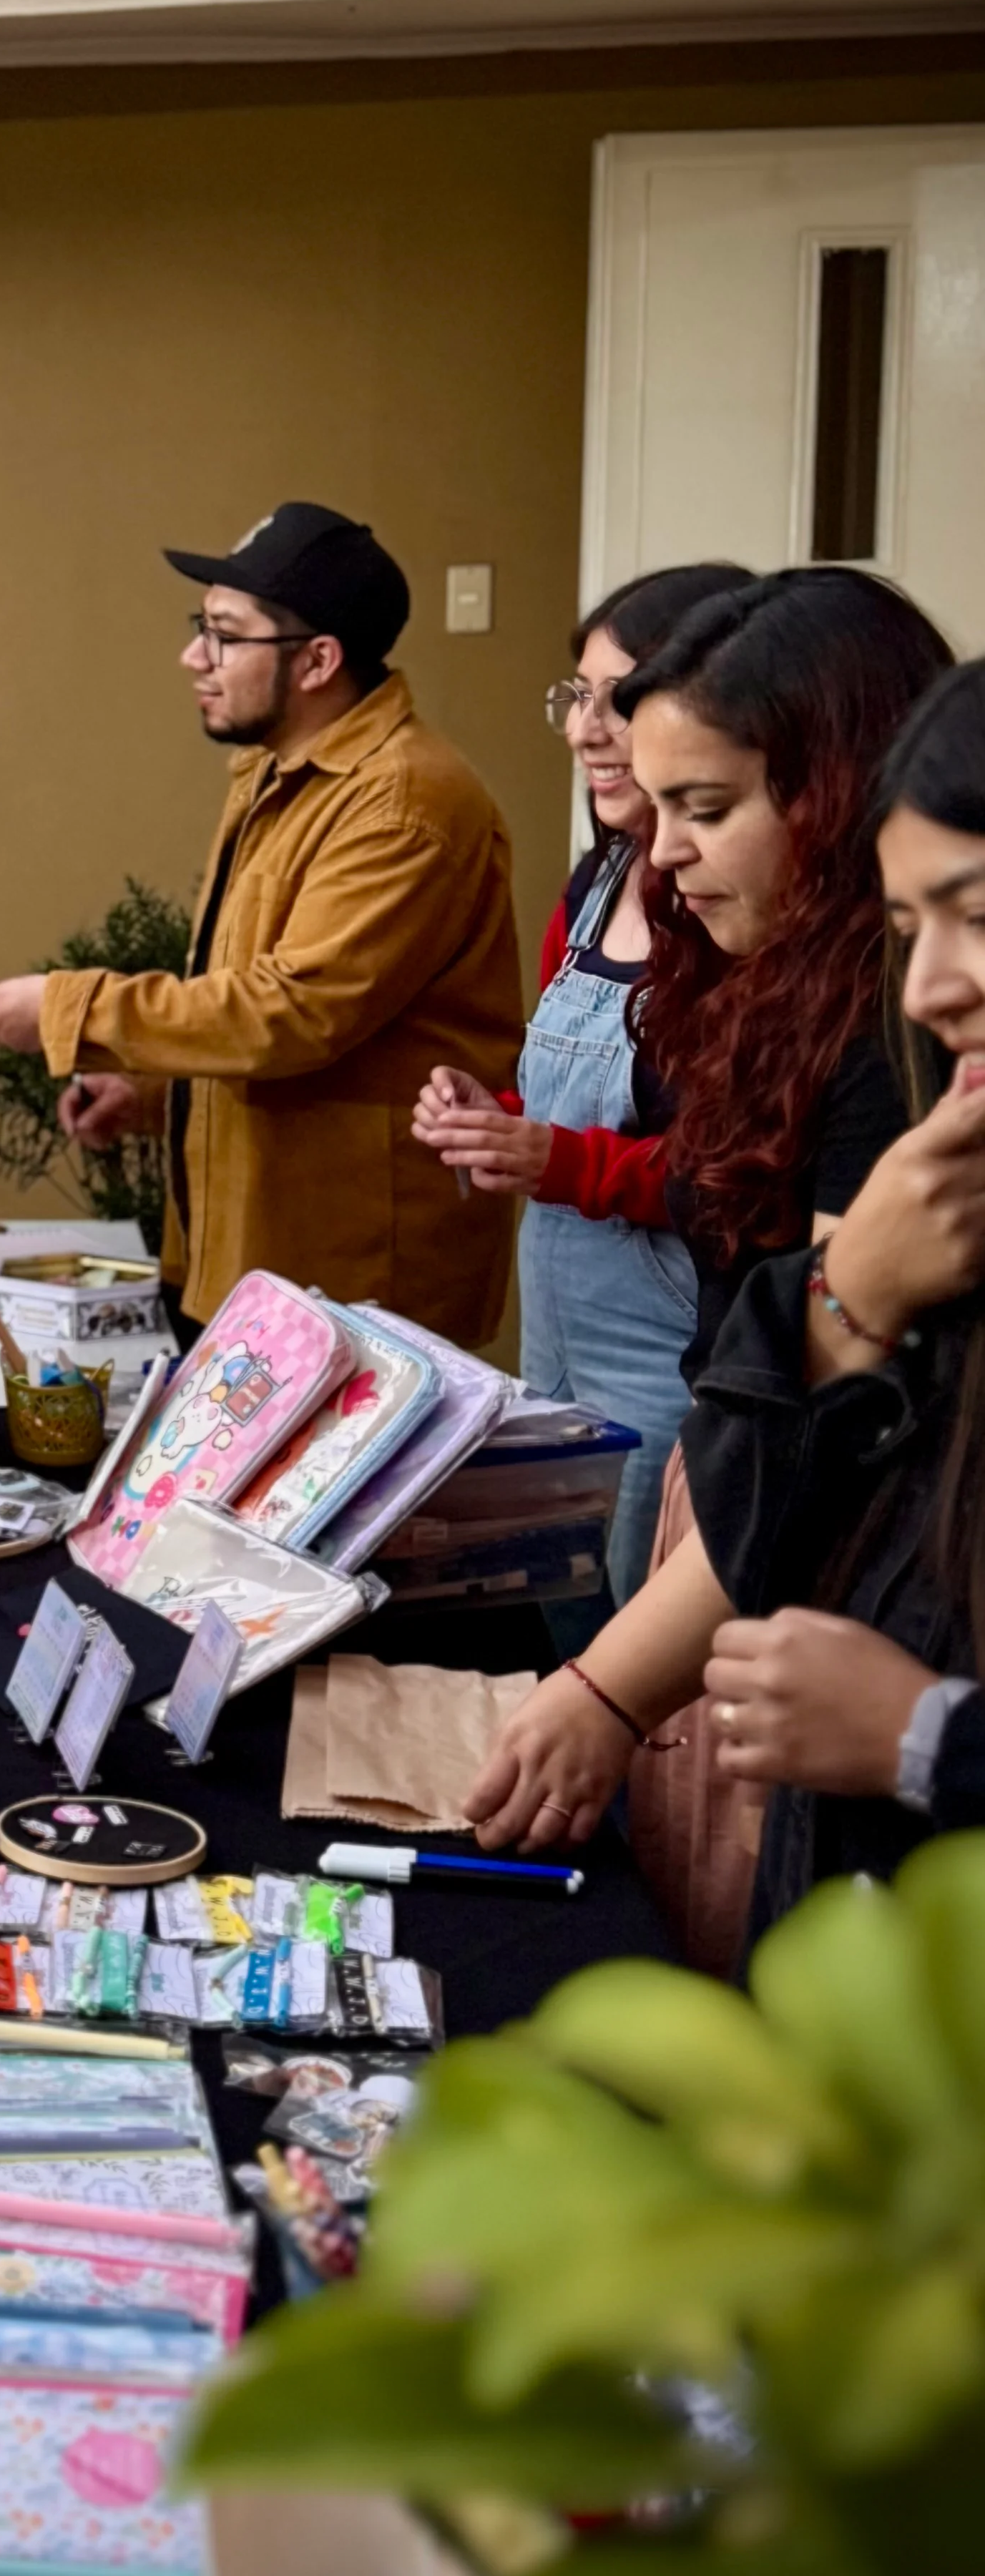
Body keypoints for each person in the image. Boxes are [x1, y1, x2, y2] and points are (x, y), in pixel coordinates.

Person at [462, 569, 956, 1941]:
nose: (662, 855)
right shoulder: (775, 982)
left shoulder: (883, 1042)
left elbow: (829, 1412)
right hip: (731, 1505)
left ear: (835, 791)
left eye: (705, 809)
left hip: (805, 1569)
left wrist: (611, 1691)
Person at [0, 504, 521, 1348]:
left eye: (224, 633)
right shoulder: (276, 771)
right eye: (201, 627)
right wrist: (155, 1095)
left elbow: (289, 1014)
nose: (194, 656)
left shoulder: (404, 802)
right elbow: (258, 1012)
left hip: (353, 1293)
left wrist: (63, 1011)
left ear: (317, 661)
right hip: (254, 1263)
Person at [676, 658, 985, 1917]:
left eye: (974, 915)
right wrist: (846, 1299)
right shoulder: (939, 1227)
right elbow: (752, 1545)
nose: (927, 990)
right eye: (908, 932)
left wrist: (926, 1736)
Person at [411, 559, 754, 1617]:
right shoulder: (594, 879)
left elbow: (735, 1169)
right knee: (557, 1614)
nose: (587, 729)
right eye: (577, 697)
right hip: (551, 1329)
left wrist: (555, 1161)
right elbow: (556, 1103)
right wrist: (493, 1122)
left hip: (663, 1353)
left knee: (632, 1640)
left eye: (622, 697)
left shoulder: (731, 903)